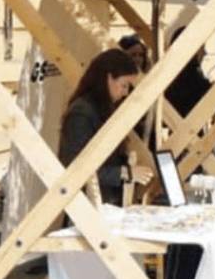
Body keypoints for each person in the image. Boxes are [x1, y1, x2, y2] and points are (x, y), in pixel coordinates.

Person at [58, 49, 154, 205]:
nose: (125, 92)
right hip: (86, 207)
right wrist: (125, 173)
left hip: (104, 202)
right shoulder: (81, 113)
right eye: (124, 85)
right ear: (108, 78)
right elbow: (74, 168)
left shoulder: (102, 108)